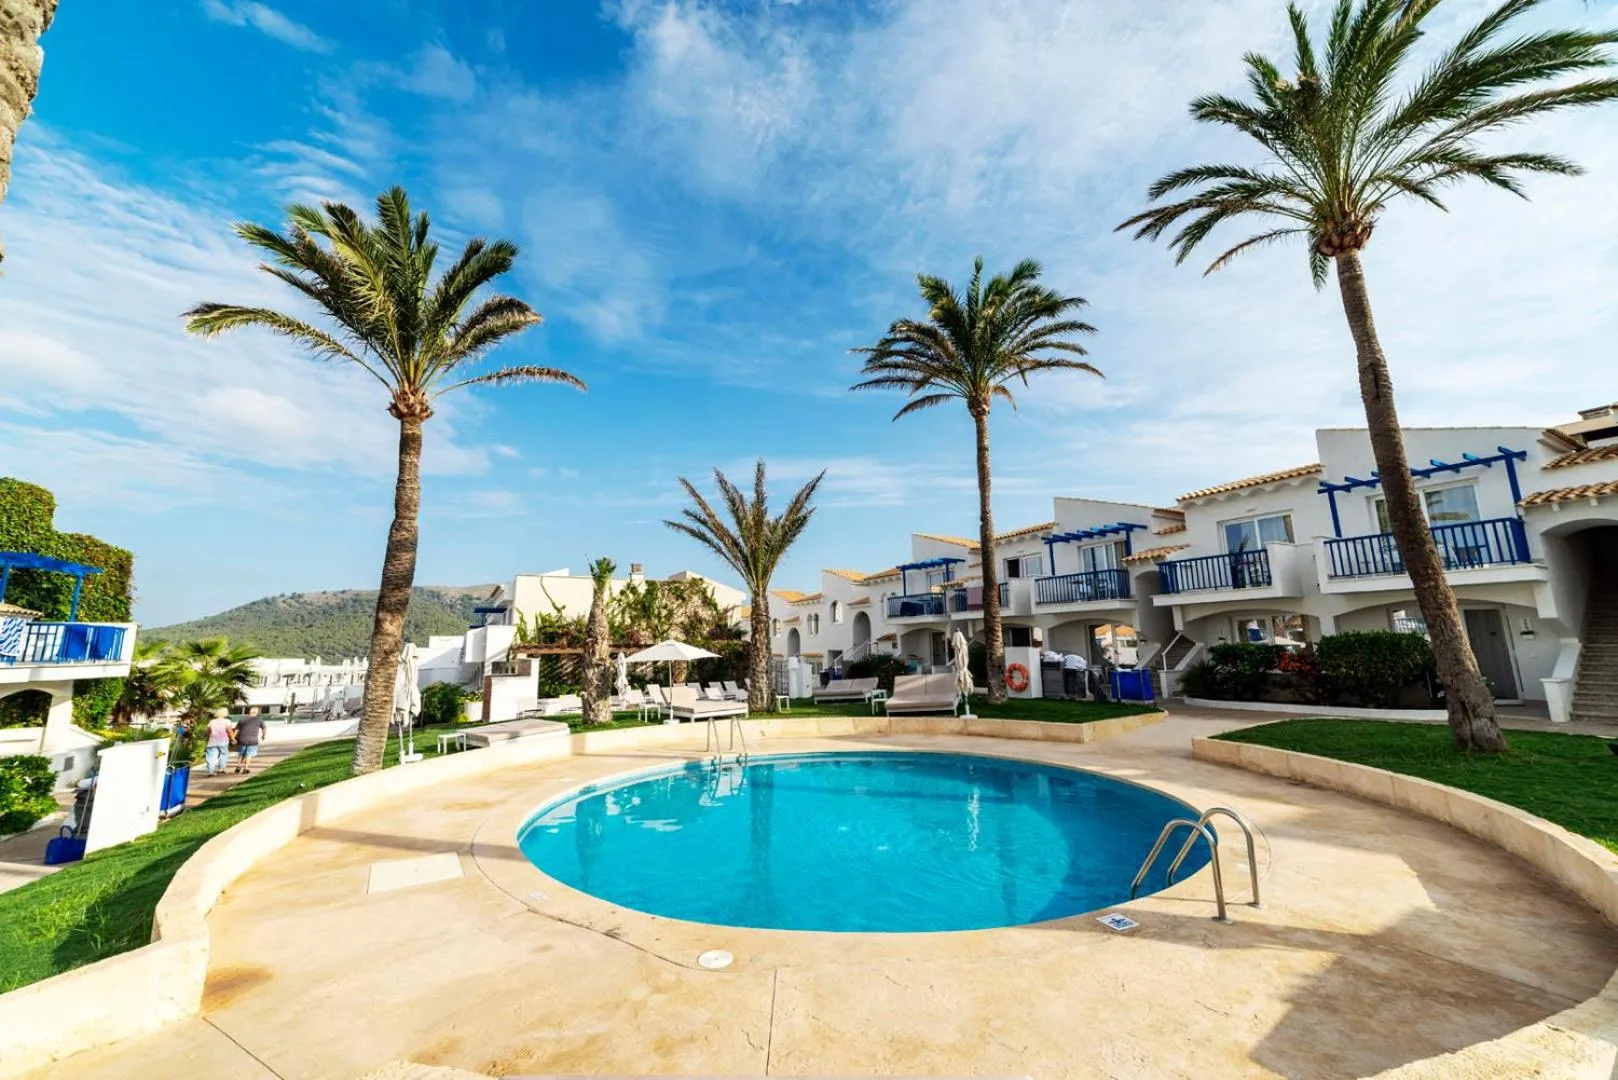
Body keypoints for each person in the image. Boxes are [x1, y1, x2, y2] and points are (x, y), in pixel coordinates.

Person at [233, 706, 266, 774]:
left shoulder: (242, 719)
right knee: (249, 755)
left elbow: (236, 729)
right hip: (253, 741)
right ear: (257, 712)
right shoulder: (259, 719)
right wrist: (263, 735)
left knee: (241, 754)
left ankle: (238, 767)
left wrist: (233, 737)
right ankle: (245, 768)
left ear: (249, 711)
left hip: (242, 739)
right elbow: (264, 728)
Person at [204, 707, 235, 777]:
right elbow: (229, 731)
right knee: (224, 754)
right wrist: (233, 739)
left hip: (212, 741)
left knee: (211, 757)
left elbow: (207, 732)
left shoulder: (212, 721)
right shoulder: (227, 721)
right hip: (223, 741)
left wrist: (208, 737)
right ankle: (221, 769)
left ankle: (210, 772)